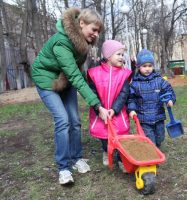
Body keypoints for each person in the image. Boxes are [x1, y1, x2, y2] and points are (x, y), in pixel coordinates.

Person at [31, 7, 104, 185]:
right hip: (46, 79)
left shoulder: (82, 43)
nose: (96, 35)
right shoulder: (62, 42)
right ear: (81, 24)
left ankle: (76, 157)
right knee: (63, 120)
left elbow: (76, 72)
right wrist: (97, 105)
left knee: (75, 120)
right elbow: (74, 74)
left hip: (65, 78)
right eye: (93, 29)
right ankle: (64, 168)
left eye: (98, 32)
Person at [87, 40, 131, 172]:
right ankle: (106, 151)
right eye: (118, 54)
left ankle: (121, 159)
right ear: (108, 56)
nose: (122, 58)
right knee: (105, 136)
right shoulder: (95, 73)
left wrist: (115, 109)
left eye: (122, 55)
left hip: (118, 112)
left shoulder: (124, 74)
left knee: (121, 138)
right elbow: (92, 94)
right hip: (101, 112)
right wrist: (99, 108)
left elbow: (124, 94)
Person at [127, 49, 176, 148]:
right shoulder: (135, 84)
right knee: (149, 140)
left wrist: (170, 100)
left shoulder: (159, 80)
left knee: (160, 137)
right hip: (143, 118)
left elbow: (168, 90)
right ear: (138, 67)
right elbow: (131, 98)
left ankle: (157, 146)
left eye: (150, 66)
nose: (147, 69)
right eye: (144, 66)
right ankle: (152, 154)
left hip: (158, 116)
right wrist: (131, 109)